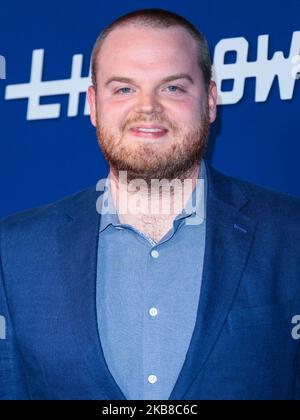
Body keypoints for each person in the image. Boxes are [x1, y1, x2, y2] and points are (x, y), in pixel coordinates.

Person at [0, 8, 300, 401]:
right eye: (123, 88)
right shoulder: (14, 251)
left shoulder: (290, 234)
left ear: (210, 102)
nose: (147, 108)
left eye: (172, 87)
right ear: (93, 104)